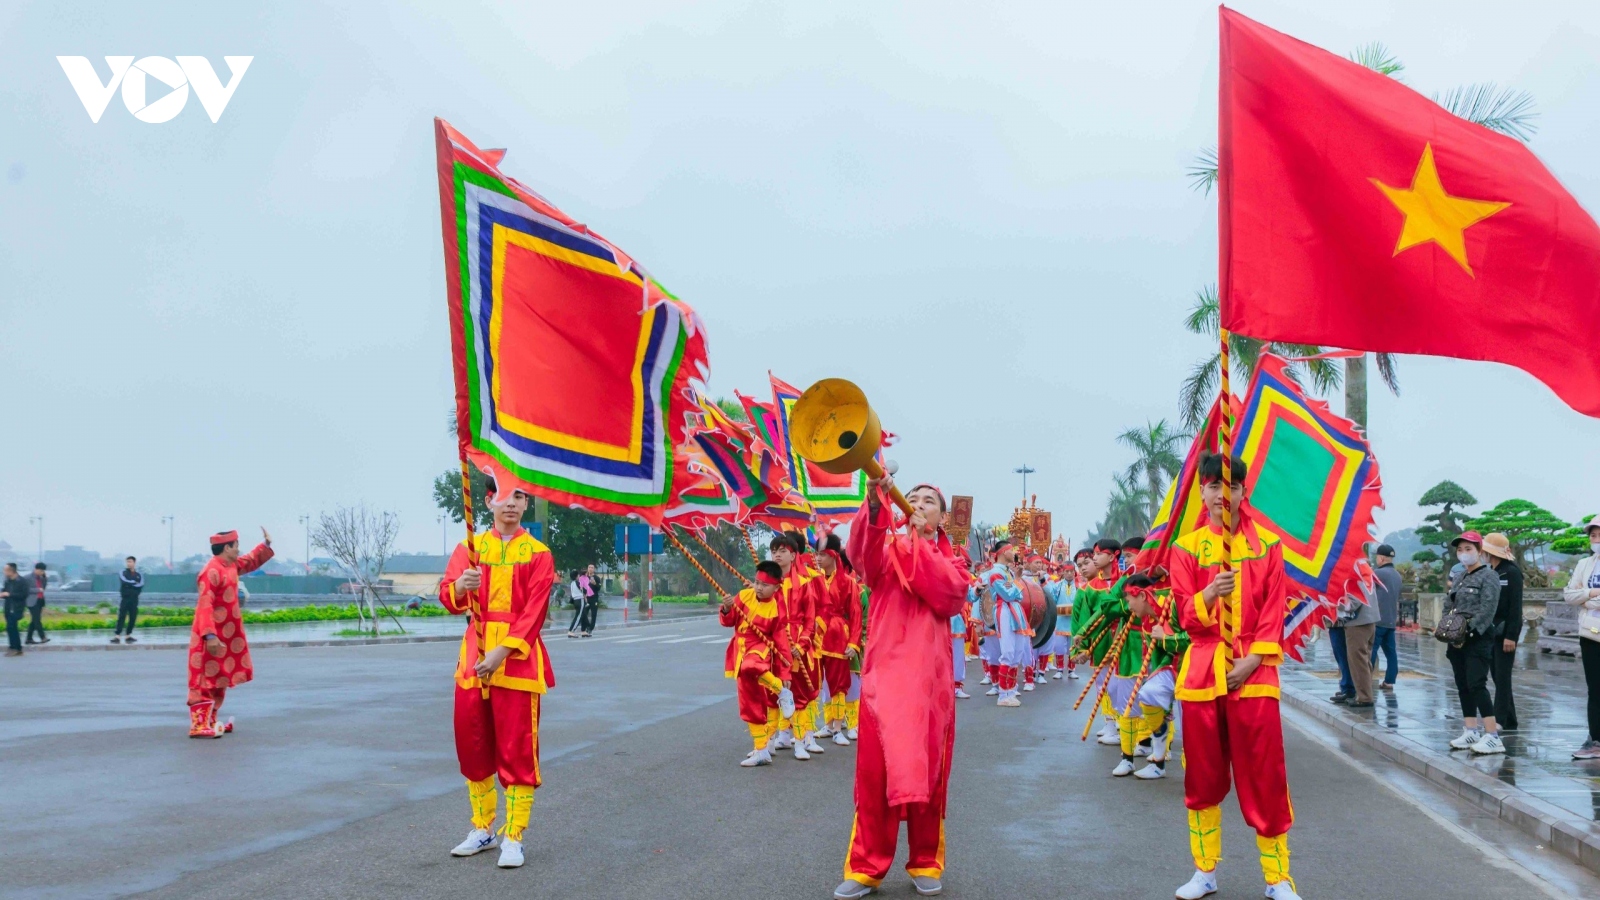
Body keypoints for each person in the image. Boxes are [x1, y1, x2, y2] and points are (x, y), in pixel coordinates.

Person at [1170, 454, 1301, 900]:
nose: (1222, 494)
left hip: (1255, 671)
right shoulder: (1187, 548)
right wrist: (1209, 593)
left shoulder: (1267, 544)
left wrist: (1255, 659)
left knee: (1265, 773)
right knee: (1202, 777)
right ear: (1202, 493)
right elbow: (1185, 616)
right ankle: (1204, 871)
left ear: (1243, 491)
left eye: (1231, 486)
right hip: (1204, 670)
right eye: (1212, 486)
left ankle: (1277, 877)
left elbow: (1274, 609)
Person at [834, 479, 969, 900]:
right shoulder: (886, 551)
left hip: (931, 687)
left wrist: (918, 541)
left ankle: (926, 859)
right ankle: (866, 867)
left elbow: (949, 595)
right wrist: (875, 502)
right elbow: (860, 555)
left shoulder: (955, 560)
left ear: (941, 518)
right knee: (875, 776)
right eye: (910, 497)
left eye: (928, 501)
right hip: (884, 684)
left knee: (929, 777)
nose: (917, 504)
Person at [439, 481, 557, 869]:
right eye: (505, 496)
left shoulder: (539, 554)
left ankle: (514, 836)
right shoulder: (470, 548)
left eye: (519, 496)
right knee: (473, 746)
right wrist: (460, 585)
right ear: (489, 501)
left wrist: (501, 653)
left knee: (518, 750)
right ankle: (483, 827)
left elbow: (534, 613)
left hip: (517, 661)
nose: (512, 503)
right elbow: (449, 598)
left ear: (527, 504)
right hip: (473, 659)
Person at [188, 529, 274, 739]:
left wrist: (266, 545)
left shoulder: (232, 565)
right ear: (226, 548)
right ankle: (198, 724)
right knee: (204, 679)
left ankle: (210, 720)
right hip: (210, 634)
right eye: (236, 545)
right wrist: (209, 636)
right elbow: (205, 605)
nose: (238, 549)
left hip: (227, 634)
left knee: (220, 677)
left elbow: (251, 561)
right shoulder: (211, 571)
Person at [720, 561, 795, 767]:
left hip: (759, 651)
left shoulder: (777, 608)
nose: (759, 588)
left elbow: (781, 643)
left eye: (765, 585)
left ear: (777, 587)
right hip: (740, 650)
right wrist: (727, 608)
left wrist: (785, 673)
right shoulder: (743, 596)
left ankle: (781, 691)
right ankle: (761, 749)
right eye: (757, 582)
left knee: (750, 666)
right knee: (749, 702)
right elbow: (728, 622)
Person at [1443, 532, 1505, 755]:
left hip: (1477, 637)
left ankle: (1492, 736)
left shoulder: (1489, 577)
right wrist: (1447, 627)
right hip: (1456, 638)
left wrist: (1468, 631)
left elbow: (1488, 609)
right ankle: (1470, 730)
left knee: (1477, 683)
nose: (1463, 554)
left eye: (1468, 549)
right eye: (1460, 550)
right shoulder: (1459, 577)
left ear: (1480, 551)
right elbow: (1447, 602)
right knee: (1463, 685)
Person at [769, 532, 825, 759]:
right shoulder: (767, 584)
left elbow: (810, 620)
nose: (777, 555)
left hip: (797, 645)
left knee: (801, 694)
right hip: (773, 645)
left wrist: (801, 645)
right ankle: (766, 743)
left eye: (782, 551)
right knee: (771, 694)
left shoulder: (805, 583)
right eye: (774, 551)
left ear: (793, 556)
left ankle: (801, 741)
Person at [814, 533, 863, 742]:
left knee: (840, 683)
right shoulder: (814, 581)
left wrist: (854, 642)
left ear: (833, 555)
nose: (817, 559)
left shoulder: (848, 583)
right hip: (815, 637)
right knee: (823, 684)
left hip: (837, 637)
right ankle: (827, 723)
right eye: (816, 554)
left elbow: (856, 615)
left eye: (822, 555)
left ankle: (838, 727)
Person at [1560, 519, 1600, 760]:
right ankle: (1595, 739)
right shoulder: (1585, 564)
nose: (1595, 539)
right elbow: (1569, 595)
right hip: (1590, 633)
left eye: (1599, 534)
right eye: (1593, 535)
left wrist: (1585, 600)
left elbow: (1580, 599)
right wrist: (1592, 593)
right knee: (1595, 690)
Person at [1483, 533, 1523, 730]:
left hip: (1505, 632)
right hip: (1492, 632)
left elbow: (1516, 608)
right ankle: (1510, 720)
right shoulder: (1492, 571)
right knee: (1497, 676)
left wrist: (1511, 636)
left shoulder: (1512, 572)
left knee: (1503, 676)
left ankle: (1499, 720)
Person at [1368, 544, 1402, 691]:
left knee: (1370, 651)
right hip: (1390, 620)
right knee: (1391, 653)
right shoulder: (1397, 575)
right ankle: (1389, 681)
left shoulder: (1377, 574)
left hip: (1377, 619)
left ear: (1381, 558)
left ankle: (1364, 681)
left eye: (1377, 557)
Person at [115, 556, 145, 644]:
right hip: (125, 598)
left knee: (133, 617)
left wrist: (132, 585)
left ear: (134, 563)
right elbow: (124, 581)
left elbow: (141, 584)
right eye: (127, 562)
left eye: (130, 562)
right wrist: (133, 582)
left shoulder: (139, 574)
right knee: (122, 616)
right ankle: (117, 635)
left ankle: (128, 635)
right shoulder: (123, 572)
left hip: (134, 599)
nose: (129, 563)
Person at [2, 563, 30, 656]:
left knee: (11, 627)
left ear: (11, 571)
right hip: (8, 607)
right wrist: (3, 594)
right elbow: (5, 592)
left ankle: (14, 647)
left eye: (5, 570)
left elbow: (24, 595)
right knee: (11, 628)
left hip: (17, 608)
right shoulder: (7, 581)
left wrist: (9, 594)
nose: (4, 572)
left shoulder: (22, 581)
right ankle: (17, 648)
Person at [25, 562, 48, 644]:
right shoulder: (28, 577)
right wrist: (37, 590)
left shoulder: (41, 578)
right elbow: (26, 590)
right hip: (31, 601)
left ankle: (28, 638)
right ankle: (43, 637)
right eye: (41, 571)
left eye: (43, 571)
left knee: (35, 620)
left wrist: (45, 578)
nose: (42, 572)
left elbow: (43, 588)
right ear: (36, 569)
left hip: (40, 600)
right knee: (37, 620)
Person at [566, 570, 585, 637]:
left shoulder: (572, 583)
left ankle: (575, 630)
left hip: (575, 600)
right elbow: (584, 590)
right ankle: (571, 631)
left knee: (578, 615)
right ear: (576, 576)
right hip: (580, 600)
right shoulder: (578, 582)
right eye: (578, 575)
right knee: (578, 617)